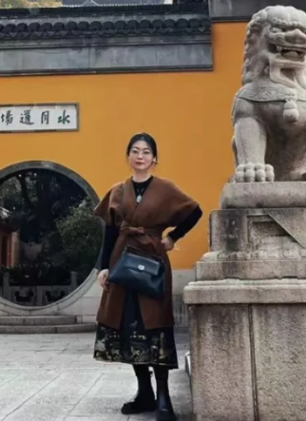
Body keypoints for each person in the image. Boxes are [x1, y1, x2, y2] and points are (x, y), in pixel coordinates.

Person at [93, 132, 203, 421]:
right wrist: (104, 267)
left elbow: (195, 212)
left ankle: (164, 396)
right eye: (135, 151)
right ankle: (145, 392)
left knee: (156, 325)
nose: (140, 156)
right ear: (128, 156)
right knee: (129, 326)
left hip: (153, 262)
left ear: (154, 158)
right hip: (121, 262)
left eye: (145, 151)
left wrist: (172, 237)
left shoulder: (166, 189)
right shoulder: (117, 191)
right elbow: (110, 232)